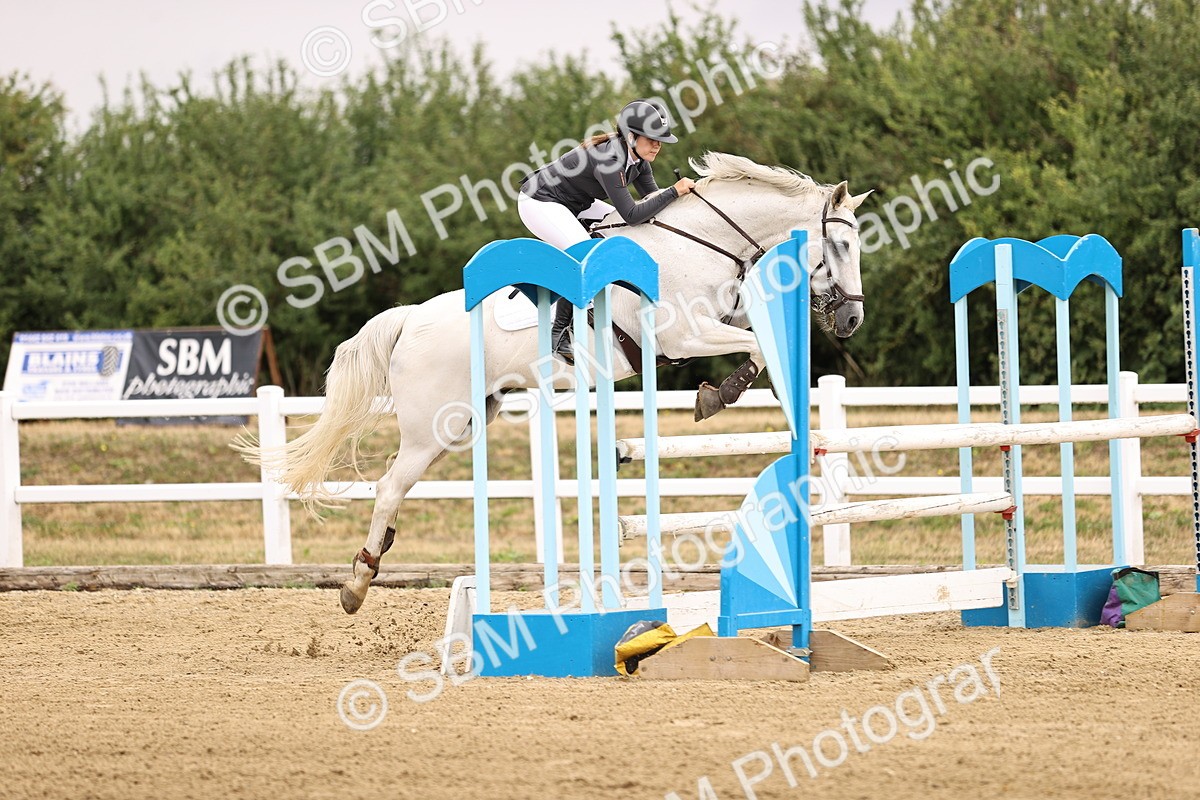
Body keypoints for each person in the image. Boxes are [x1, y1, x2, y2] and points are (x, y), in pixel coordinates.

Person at [517, 99, 695, 357]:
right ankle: (558, 332)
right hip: (540, 202)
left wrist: (686, 201)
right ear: (632, 137)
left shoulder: (639, 161)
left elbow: (653, 204)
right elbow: (632, 215)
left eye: (660, 140)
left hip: (578, 203)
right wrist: (674, 191)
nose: (658, 145)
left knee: (627, 231)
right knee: (588, 255)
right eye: (652, 139)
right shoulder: (610, 160)